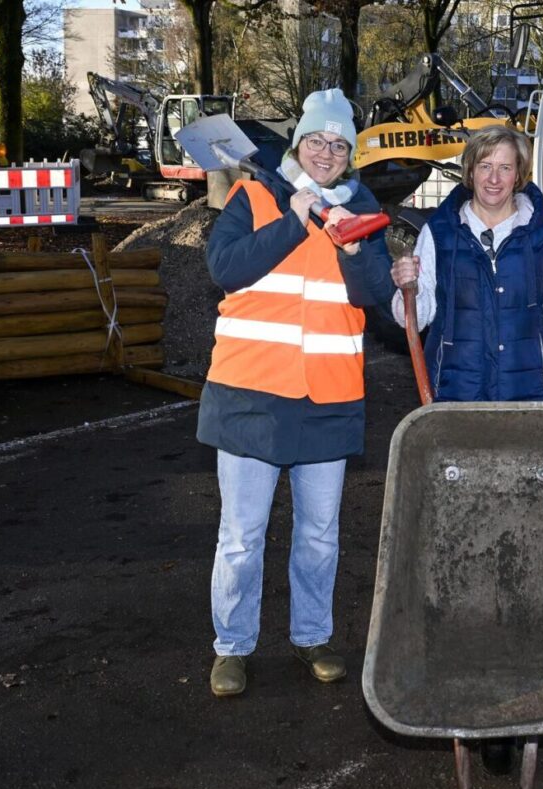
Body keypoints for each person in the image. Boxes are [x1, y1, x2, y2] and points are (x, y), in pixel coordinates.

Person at [200, 89, 395, 697]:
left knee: (319, 534)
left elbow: (378, 297)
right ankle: (231, 646)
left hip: (327, 398)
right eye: (317, 140)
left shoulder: (361, 210)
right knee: (241, 536)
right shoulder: (254, 196)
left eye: (339, 144)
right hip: (250, 394)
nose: (327, 152)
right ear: (298, 145)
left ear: (349, 155)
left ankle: (313, 635)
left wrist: (355, 248)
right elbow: (224, 268)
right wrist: (294, 221)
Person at [390, 125, 543, 400]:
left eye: (505, 168)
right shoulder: (440, 233)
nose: (494, 179)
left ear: (518, 175)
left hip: (525, 392)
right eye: (485, 166)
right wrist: (410, 287)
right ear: (470, 171)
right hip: (453, 393)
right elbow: (413, 320)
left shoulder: (540, 235)